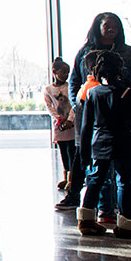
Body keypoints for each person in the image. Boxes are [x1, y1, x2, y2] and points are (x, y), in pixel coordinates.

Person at [67, 12, 131, 224]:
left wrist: (120, 74)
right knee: (97, 167)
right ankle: (104, 211)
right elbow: (74, 82)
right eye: (107, 25)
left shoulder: (129, 53)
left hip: (122, 113)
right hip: (91, 112)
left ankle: (119, 213)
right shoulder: (85, 52)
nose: (111, 29)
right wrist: (79, 104)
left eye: (115, 25)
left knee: (122, 170)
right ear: (98, 27)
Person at [76, 51, 131, 239]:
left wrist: (84, 153)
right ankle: (127, 224)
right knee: (123, 182)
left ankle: (86, 221)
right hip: (122, 142)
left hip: (99, 142)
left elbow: (86, 126)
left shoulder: (93, 93)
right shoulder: (127, 92)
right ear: (120, 69)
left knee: (95, 180)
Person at [44, 58, 79, 197]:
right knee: (63, 151)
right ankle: (66, 176)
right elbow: (49, 106)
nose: (66, 75)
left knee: (72, 150)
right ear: (54, 72)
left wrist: (70, 119)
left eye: (67, 72)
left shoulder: (69, 87)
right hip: (59, 125)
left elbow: (73, 105)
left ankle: (73, 177)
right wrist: (58, 119)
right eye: (63, 72)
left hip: (71, 123)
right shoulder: (48, 89)